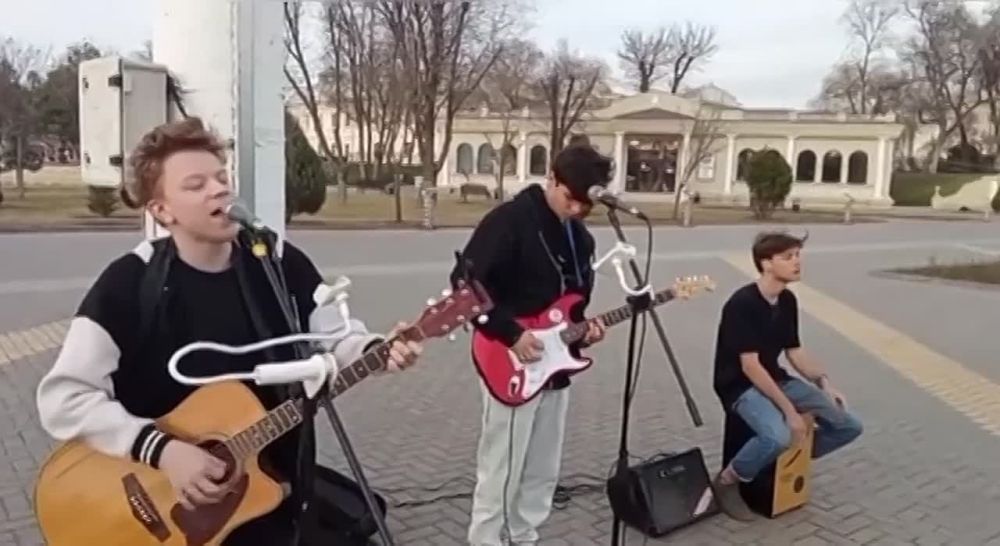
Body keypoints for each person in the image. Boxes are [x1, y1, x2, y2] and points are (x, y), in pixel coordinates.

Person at [35, 117, 423, 545]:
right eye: (196, 184)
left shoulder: (274, 260)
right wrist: (164, 451)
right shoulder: (130, 283)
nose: (219, 189)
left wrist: (374, 348)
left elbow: (332, 340)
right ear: (161, 211)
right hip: (166, 496)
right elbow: (63, 399)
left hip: (266, 482)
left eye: (221, 178)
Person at [451, 144, 611, 546]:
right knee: (501, 466)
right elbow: (465, 285)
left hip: (555, 363)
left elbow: (574, 300)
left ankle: (524, 535)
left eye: (585, 204)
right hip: (508, 355)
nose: (576, 209)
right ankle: (487, 540)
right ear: (552, 179)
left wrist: (584, 328)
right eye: (570, 198)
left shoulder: (581, 238)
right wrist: (511, 334)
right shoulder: (509, 220)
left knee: (543, 466)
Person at [710, 231, 864, 520]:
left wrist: (824, 383)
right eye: (788, 257)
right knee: (778, 434)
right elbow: (750, 366)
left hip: (775, 378)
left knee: (849, 425)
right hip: (739, 385)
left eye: (798, 256)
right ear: (766, 264)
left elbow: (795, 351)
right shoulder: (742, 303)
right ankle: (727, 482)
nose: (797, 262)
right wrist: (789, 411)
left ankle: (783, 460)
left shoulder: (787, 300)